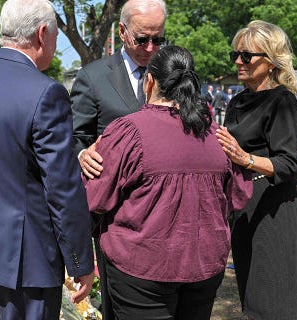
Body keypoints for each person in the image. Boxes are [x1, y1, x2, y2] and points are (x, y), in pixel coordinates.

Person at [0, 0, 95, 318]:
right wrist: (80, 260)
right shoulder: (46, 93)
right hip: (26, 263)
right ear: (43, 34)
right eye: (56, 36)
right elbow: (62, 188)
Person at [84, 45, 252, 319]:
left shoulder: (128, 131)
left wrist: (87, 158)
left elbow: (95, 196)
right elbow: (239, 195)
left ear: (149, 81)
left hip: (142, 270)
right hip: (203, 267)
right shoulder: (216, 135)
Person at [70, 1, 166, 318]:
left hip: (167, 211)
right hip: (117, 219)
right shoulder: (94, 77)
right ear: (122, 32)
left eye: (158, 39)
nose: (150, 48)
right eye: (142, 39)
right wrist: (82, 154)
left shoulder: (173, 74)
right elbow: (73, 135)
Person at [215, 20, 297, 319]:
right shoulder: (238, 101)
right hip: (243, 205)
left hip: (273, 208)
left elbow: (289, 164)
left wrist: (244, 158)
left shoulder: (283, 101)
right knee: (251, 296)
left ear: (269, 61)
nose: (239, 61)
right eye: (235, 55)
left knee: (273, 298)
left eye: (247, 56)